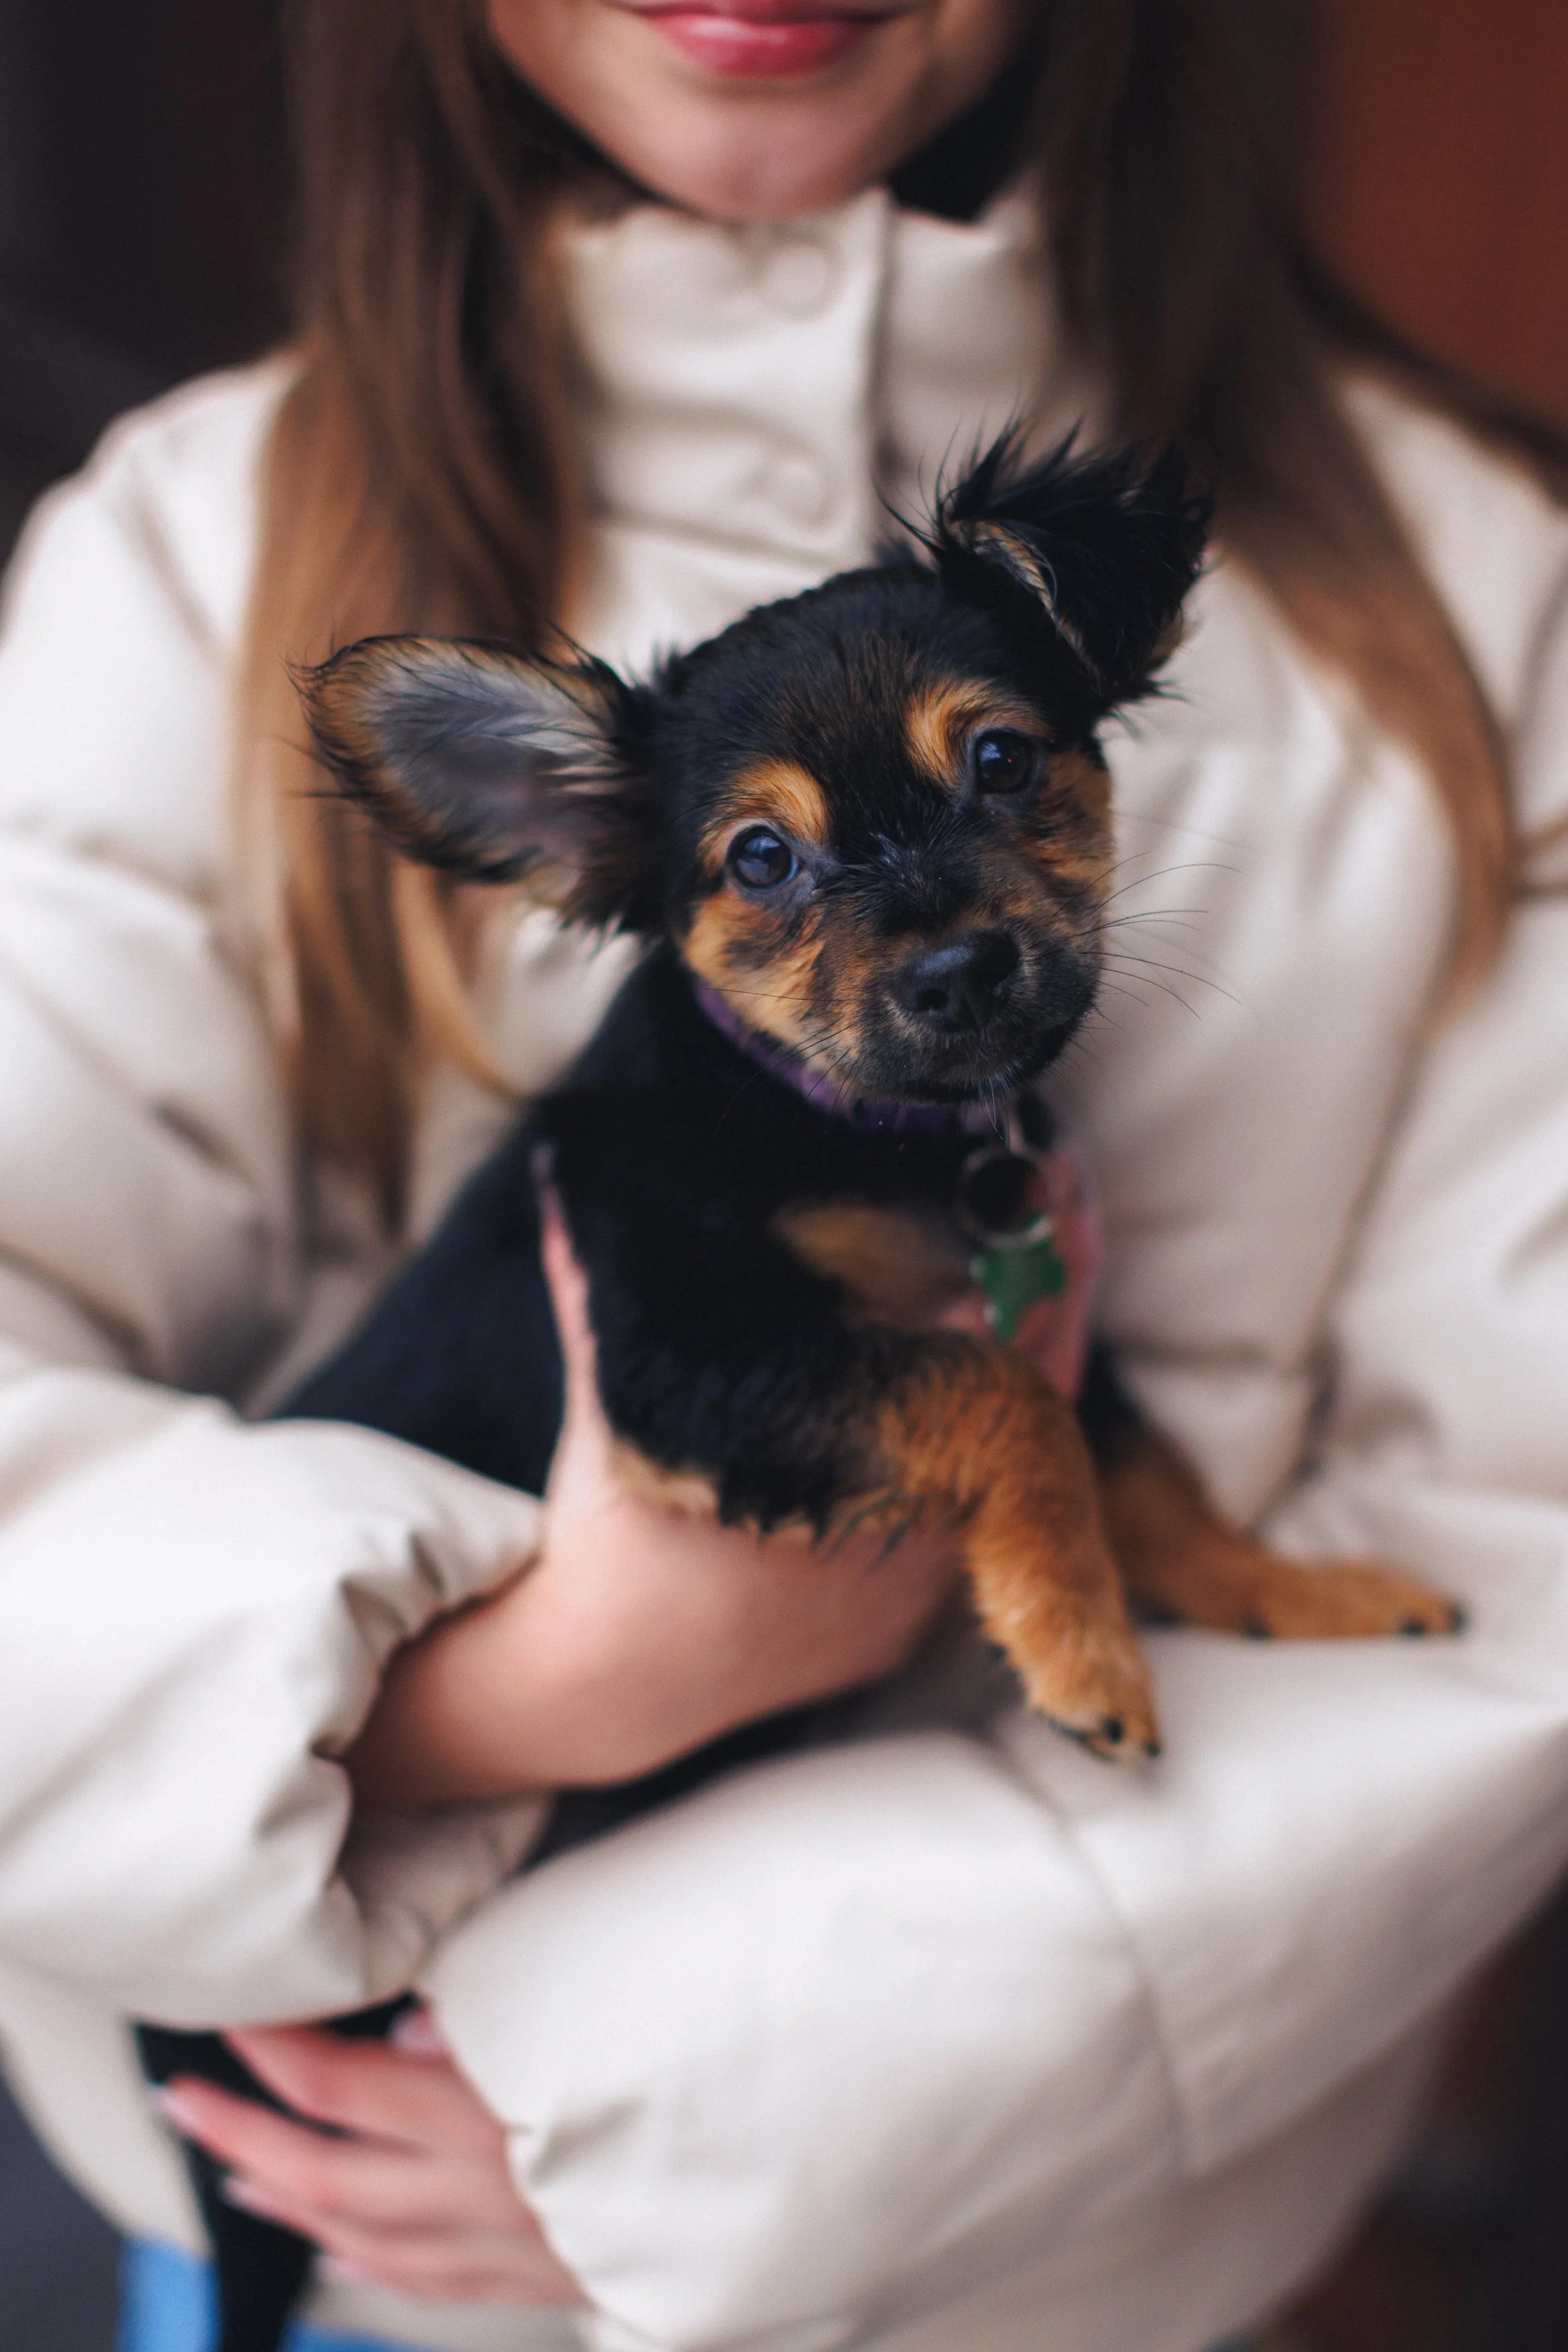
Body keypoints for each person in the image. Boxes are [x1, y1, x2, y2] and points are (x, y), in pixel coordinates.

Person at [2, 3, 1568, 2348]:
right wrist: (515, 1692)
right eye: (772, 867)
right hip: (351, 2186)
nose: (937, 933)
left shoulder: (1488, 601)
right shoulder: (175, 561)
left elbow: (1522, 1552)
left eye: (1005, 774)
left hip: (1050, 2243)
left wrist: (722, 2106)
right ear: (598, 860)